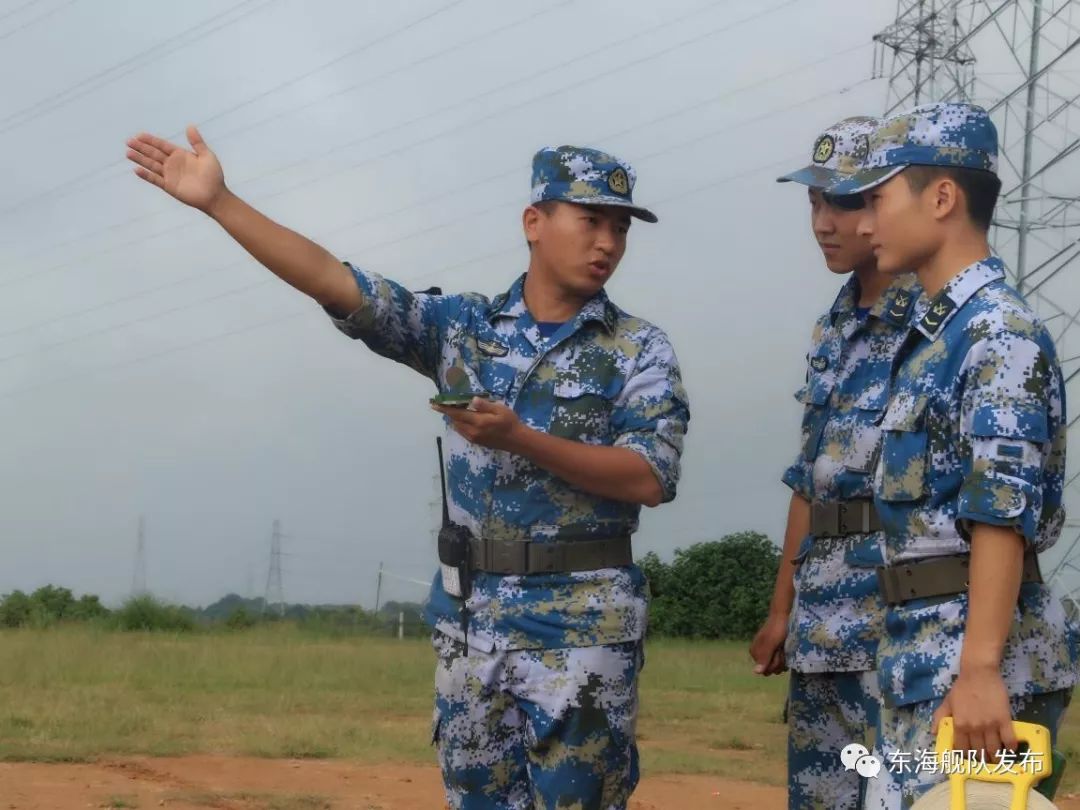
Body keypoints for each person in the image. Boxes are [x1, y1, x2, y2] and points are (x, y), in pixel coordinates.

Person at [125, 130, 690, 809]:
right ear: (534, 223)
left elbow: (649, 476)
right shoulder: (463, 330)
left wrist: (521, 438)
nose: (607, 243)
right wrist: (222, 203)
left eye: (620, 228)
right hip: (471, 620)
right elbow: (339, 283)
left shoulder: (637, 349)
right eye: (591, 220)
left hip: (583, 627)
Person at [824, 101, 1078, 808]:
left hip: (971, 667)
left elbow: (1000, 509)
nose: (865, 222)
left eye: (877, 198)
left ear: (941, 198)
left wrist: (980, 669)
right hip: (922, 649)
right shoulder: (938, 335)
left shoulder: (997, 332)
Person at [751, 116, 922, 809]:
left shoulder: (934, 320)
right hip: (821, 626)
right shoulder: (836, 322)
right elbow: (810, 476)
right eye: (815, 202)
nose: (824, 222)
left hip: (897, 631)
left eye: (844, 202)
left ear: (885, 201)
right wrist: (779, 610)